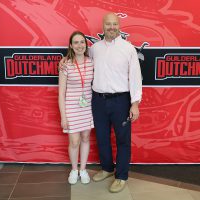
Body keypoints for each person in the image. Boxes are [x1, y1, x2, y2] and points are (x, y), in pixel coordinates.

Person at [59, 13, 142, 192]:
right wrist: (64, 62)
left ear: (119, 26)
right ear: (103, 26)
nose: (111, 27)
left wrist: (135, 103)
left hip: (121, 101)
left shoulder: (128, 49)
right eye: (108, 24)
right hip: (97, 101)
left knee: (122, 139)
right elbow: (79, 60)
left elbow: (135, 77)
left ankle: (121, 176)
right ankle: (106, 168)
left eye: (114, 24)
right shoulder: (95, 48)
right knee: (102, 138)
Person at [58, 31, 94, 185]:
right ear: (71, 46)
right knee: (74, 141)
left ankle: (83, 169)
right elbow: (61, 93)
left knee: (86, 138)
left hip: (87, 108)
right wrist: (63, 117)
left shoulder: (91, 62)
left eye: (82, 42)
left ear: (86, 45)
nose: (80, 45)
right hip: (71, 108)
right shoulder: (65, 65)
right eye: (76, 42)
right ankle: (74, 169)